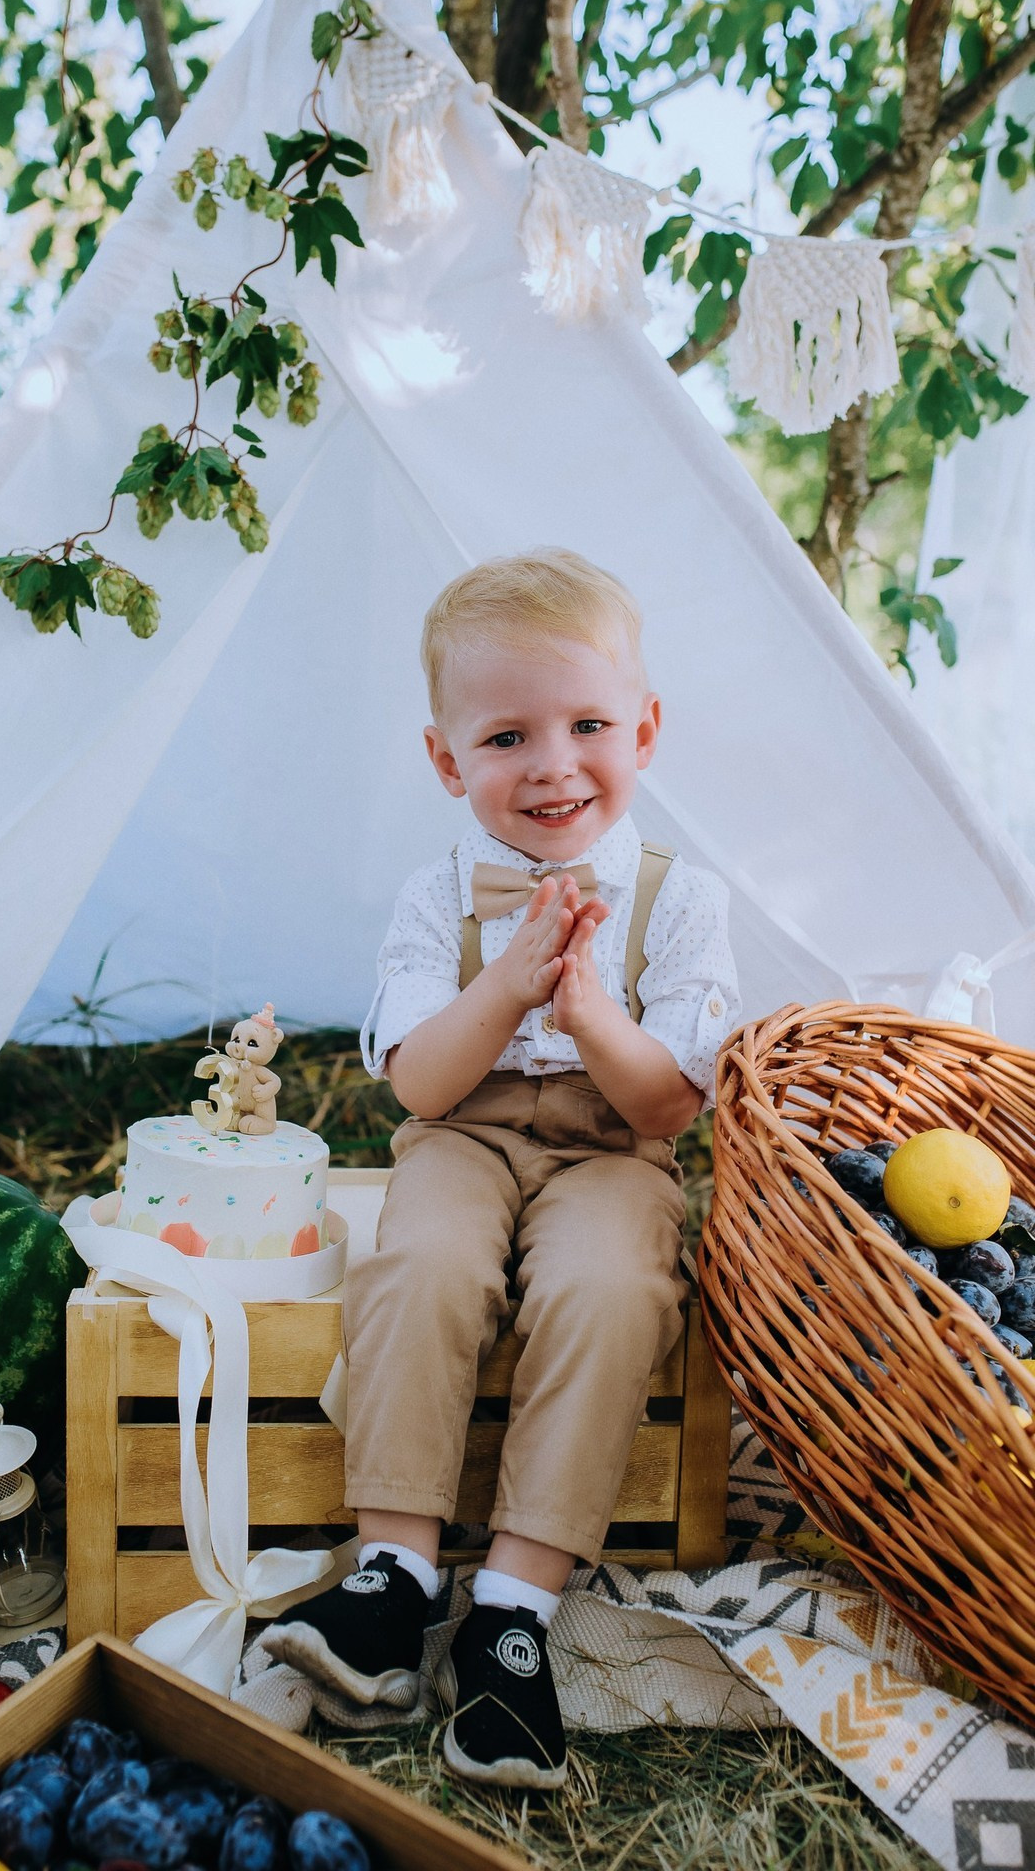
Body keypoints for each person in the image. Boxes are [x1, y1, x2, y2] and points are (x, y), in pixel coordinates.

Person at [262, 548, 739, 1788]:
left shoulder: (683, 902)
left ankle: (513, 1611)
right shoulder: (435, 897)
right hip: (462, 1134)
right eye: (507, 735)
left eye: (587, 724)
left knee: (609, 1293)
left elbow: (670, 1102)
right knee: (417, 1262)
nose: (552, 763)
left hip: (612, 1152)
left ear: (643, 730)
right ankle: (394, 1573)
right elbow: (419, 1083)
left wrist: (587, 1010)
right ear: (446, 760)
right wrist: (507, 983)